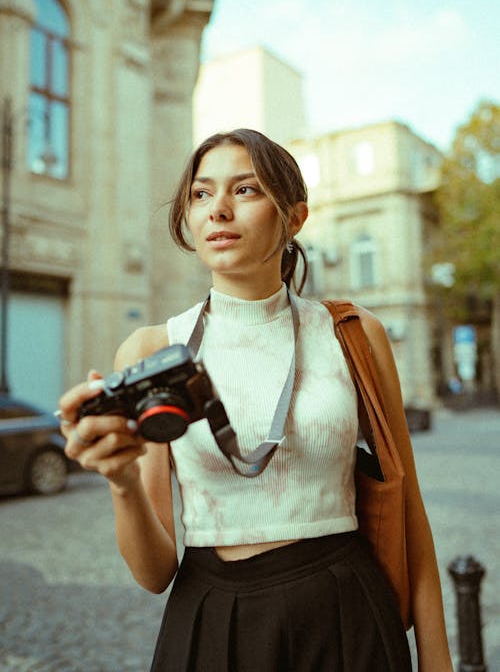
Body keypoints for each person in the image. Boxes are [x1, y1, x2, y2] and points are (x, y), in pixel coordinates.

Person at [58, 129, 453, 671]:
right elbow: (153, 574)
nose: (217, 209)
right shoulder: (152, 349)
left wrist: (437, 662)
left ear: (294, 219)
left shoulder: (353, 334)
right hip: (212, 618)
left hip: (346, 613)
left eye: (245, 190)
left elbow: (410, 513)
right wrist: (121, 480)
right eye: (201, 194)